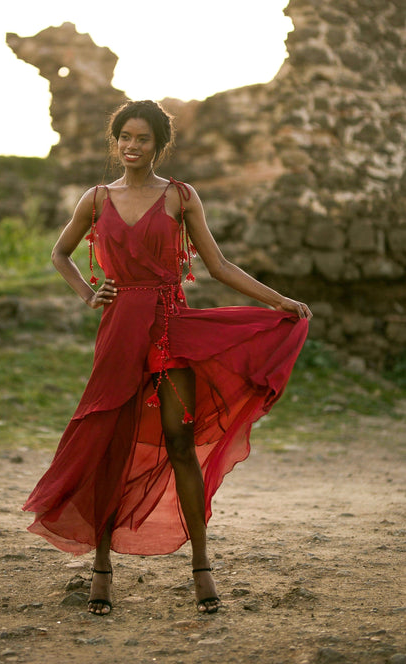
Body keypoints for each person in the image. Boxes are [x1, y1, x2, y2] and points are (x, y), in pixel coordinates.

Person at [23, 99, 311, 616]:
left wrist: (278, 301)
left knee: (180, 441)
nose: (131, 147)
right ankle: (102, 566)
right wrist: (90, 294)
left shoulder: (180, 197)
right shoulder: (95, 199)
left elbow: (218, 265)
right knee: (110, 443)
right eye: (124, 138)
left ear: (159, 145)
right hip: (118, 332)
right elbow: (59, 253)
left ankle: (202, 565)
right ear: (116, 142)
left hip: (169, 326)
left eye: (142, 139)